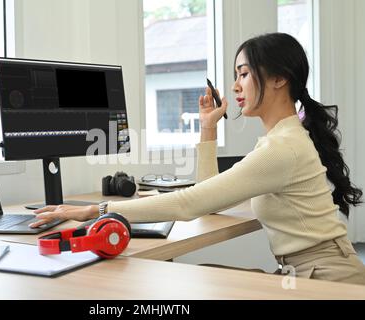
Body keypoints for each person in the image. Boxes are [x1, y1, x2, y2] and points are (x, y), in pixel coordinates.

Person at [29, 33, 365, 284]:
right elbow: (209, 195)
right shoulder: (281, 140)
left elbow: (191, 202)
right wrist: (208, 128)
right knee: (202, 279)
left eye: (244, 74)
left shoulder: (282, 148)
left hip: (326, 279)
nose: (235, 85)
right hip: (305, 272)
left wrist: (96, 210)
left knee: (193, 284)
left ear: (280, 78)